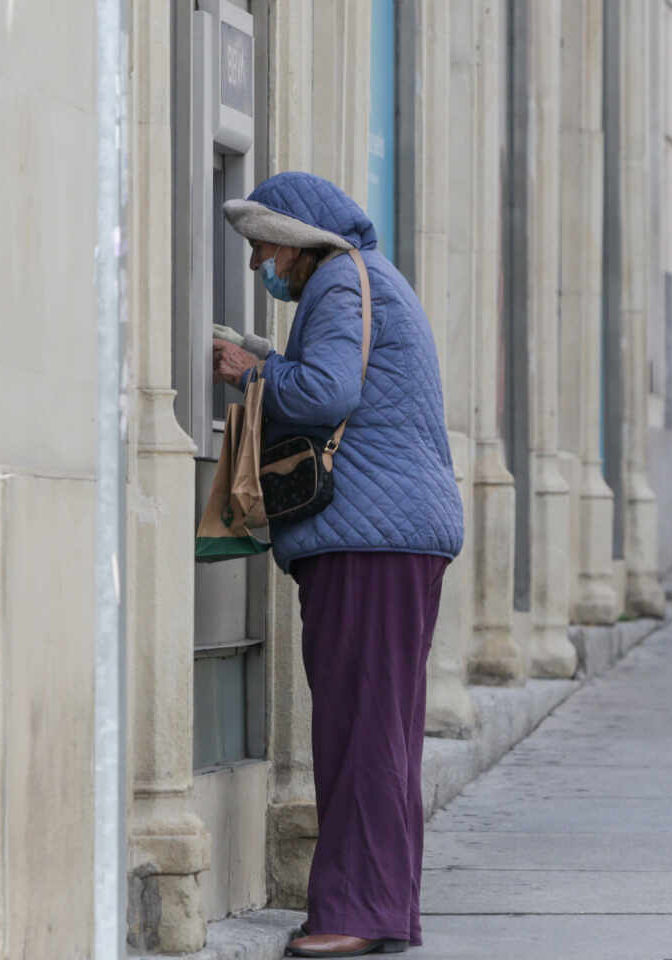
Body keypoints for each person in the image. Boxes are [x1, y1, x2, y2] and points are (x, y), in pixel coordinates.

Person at [212, 172, 464, 958]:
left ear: (296, 239)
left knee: (358, 728)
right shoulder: (366, 282)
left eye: (261, 245)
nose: (258, 263)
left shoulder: (338, 283)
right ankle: (377, 905)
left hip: (369, 538)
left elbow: (324, 394)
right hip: (391, 536)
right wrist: (264, 354)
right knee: (377, 730)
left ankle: (356, 913)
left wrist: (249, 373)